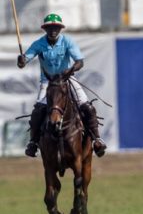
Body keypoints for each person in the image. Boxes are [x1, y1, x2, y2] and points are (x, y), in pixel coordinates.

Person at [17, 13, 107, 158]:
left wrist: (71, 69)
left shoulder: (67, 41)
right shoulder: (39, 44)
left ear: (60, 29)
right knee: (38, 110)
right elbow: (24, 61)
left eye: (56, 27)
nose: (53, 30)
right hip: (47, 82)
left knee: (87, 106)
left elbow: (80, 61)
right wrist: (21, 60)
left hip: (68, 79)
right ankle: (33, 142)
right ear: (45, 29)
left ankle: (97, 139)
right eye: (50, 27)